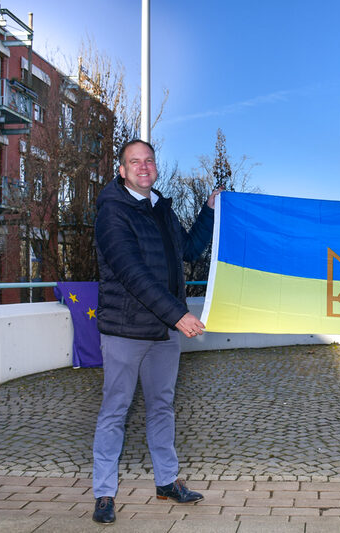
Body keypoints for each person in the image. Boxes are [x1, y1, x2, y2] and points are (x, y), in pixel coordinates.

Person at [91, 139, 220, 524]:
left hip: (163, 333)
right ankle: (103, 494)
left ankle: (167, 481)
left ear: (155, 167)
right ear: (122, 170)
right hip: (125, 331)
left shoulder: (160, 207)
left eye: (149, 161)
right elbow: (133, 274)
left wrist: (210, 210)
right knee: (115, 411)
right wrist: (178, 314)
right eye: (135, 162)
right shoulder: (112, 213)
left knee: (162, 408)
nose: (144, 167)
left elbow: (189, 250)